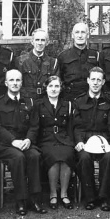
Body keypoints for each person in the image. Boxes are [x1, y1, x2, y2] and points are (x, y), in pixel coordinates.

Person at [0, 69, 47, 216]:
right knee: (18, 157)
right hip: (5, 144)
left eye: (18, 80)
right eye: (12, 80)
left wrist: (28, 139)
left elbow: (35, 125)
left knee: (34, 155)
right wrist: (13, 141)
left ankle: (35, 199)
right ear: (6, 83)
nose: (15, 83)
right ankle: (21, 199)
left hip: (25, 142)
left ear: (22, 82)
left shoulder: (30, 102)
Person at [73, 67, 110, 211]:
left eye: (99, 80)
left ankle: (103, 197)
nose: (95, 83)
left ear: (103, 82)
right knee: (84, 158)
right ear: (88, 80)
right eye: (93, 79)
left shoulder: (109, 101)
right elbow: (76, 126)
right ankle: (90, 197)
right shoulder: (79, 101)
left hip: (104, 140)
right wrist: (79, 141)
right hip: (85, 139)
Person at [34, 76, 75, 210]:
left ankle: (64, 193)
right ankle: (53, 193)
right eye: (51, 86)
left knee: (67, 154)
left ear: (61, 88)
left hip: (64, 139)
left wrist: (71, 142)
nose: (53, 89)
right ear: (46, 88)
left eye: (56, 86)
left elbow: (70, 126)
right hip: (46, 140)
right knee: (53, 156)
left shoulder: (67, 104)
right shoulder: (38, 104)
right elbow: (35, 126)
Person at [57, 22, 99, 101]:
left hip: (90, 98)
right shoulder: (63, 56)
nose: (80, 36)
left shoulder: (96, 55)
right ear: (72, 35)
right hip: (70, 97)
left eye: (83, 32)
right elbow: (58, 80)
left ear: (87, 35)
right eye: (77, 32)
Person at [15, 28, 58, 101]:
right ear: (32, 42)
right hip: (27, 100)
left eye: (43, 40)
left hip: (46, 100)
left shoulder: (53, 62)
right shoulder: (21, 61)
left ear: (47, 43)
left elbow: (55, 85)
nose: (40, 43)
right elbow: (17, 84)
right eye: (37, 40)